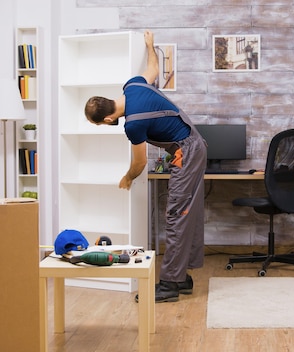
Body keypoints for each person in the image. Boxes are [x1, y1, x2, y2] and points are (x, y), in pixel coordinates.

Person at [84, 30, 207, 303]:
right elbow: (153, 67)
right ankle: (181, 277)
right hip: (193, 146)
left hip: (187, 151)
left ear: (106, 119)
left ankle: (169, 285)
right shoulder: (134, 86)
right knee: (187, 213)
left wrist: (127, 178)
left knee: (176, 215)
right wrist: (151, 46)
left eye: (98, 124)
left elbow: (139, 162)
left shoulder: (133, 124)